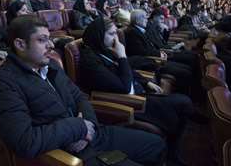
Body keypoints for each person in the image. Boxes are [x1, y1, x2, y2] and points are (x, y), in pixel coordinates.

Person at [0, 15, 166, 166]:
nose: (50, 45)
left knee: (156, 145)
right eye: (42, 40)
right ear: (20, 44)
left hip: (92, 134)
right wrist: (78, 128)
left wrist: (87, 127)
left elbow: (79, 96)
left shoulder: (51, 65)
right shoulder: (4, 84)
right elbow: (24, 141)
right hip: (65, 151)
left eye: (49, 38)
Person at [80, 18, 194, 165]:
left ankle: (173, 151)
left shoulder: (104, 51)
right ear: (98, 35)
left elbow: (127, 70)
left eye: (116, 33)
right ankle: (172, 155)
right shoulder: (90, 60)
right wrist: (122, 56)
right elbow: (123, 87)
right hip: (129, 102)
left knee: (181, 103)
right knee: (182, 103)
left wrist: (146, 81)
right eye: (111, 34)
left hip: (138, 93)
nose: (115, 38)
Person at [124, 10, 195, 95]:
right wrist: (160, 54)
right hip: (152, 63)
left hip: (157, 58)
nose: (146, 19)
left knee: (188, 67)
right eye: (144, 17)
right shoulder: (132, 32)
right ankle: (184, 96)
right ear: (137, 20)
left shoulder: (140, 30)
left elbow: (156, 44)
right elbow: (141, 52)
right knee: (186, 72)